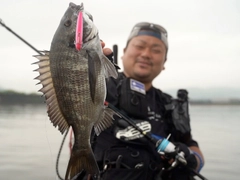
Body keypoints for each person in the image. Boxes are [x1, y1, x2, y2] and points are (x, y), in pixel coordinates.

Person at [90, 22, 204, 180]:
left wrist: (192, 159)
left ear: (164, 63)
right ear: (123, 52)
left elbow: (193, 146)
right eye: (139, 46)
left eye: (156, 50)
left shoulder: (170, 105)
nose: (146, 54)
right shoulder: (98, 86)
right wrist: (85, 68)